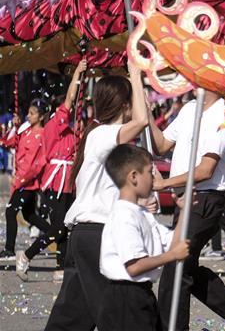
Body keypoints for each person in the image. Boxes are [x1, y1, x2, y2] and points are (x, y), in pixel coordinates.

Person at [44, 62, 151, 331]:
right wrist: (135, 76)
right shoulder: (104, 135)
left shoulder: (100, 138)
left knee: (70, 318)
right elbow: (141, 121)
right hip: (98, 236)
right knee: (118, 314)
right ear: (125, 105)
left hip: (86, 235)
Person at [151, 90, 225, 330]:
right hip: (185, 200)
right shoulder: (189, 108)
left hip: (206, 199)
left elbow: (205, 170)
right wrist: (144, 111)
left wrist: (163, 183)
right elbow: (161, 145)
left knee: (176, 267)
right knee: (184, 267)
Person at [98, 144, 191, 331]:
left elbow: (173, 244)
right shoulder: (124, 215)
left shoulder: (142, 213)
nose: (154, 179)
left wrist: (183, 211)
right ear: (133, 177)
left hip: (141, 295)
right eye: (150, 172)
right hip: (125, 299)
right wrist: (173, 256)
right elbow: (134, 266)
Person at [17, 60, 88, 281]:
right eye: (67, 110)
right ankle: (26, 255)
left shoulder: (72, 133)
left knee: (66, 226)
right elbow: (70, 99)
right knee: (57, 228)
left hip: (69, 184)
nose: (70, 112)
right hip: (56, 183)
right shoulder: (54, 126)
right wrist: (77, 73)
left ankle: (61, 267)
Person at [1, 98, 53, 263]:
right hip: (22, 180)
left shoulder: (41, 135)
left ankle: (9, 249)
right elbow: (9, 143)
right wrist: (15, 127)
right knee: (29, 215)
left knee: (11, 211)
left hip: (28, 183)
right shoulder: (26, 130)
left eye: (32, 113)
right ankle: (55, 234)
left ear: (41, 116)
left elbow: (35, 164)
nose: (28, 116)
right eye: (28, 113)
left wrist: (20, 180)